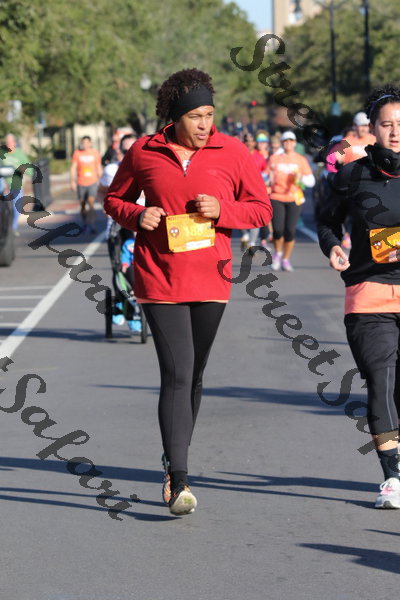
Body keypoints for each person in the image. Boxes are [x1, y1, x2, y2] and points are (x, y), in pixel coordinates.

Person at [105, 68, 271, 516]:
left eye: (209, 115)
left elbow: (261, 209)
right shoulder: (144, 151)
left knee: (194, 375)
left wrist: (223, 210)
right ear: (175, 118)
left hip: (211, 279)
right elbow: (114, 199)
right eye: (196, 116)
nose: (204, 124)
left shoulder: (232, 151)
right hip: (159, 276)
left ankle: (172, 456)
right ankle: (178, 480)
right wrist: (136, 216)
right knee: (177, 372)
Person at [317, 84, 400, 509]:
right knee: (381, 380)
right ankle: (393, 475)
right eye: (387, 124)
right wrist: (333, 244)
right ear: (373, 130)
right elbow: (326, 220)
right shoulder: (353, 175)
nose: (395, 131)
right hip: (369, 295)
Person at [269, 130, 315, 271]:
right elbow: (265, 176)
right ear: (282, 143)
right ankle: (278, 253)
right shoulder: (274, 158)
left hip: (294, 198)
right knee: (278, 230)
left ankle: (285, 259)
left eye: (291, 140)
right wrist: (268, 180)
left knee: (290, 230)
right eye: (286, 141)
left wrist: (301, 178)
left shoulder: (300, 160)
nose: (288, 143)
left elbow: (311, 181)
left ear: (295, 143)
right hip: (276, 196)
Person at [70, 136, 102, 233]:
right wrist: (72, 182)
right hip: (81, 182)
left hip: (92, 181)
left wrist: (100, 179)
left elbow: (99, 166)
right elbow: (73, 168)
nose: (85, 144)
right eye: (83, 142)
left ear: (90, 143)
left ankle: (92, 224)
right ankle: (84, 223)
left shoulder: (95, 153)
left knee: (91, 202)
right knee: (83, 204)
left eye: (87, 142)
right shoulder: (77, 153)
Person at [4, 133, 33, 235]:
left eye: (11, 142)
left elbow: (29, 169)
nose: (9, 144)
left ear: (15, 143)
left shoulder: (20, 154)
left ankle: (13, 228)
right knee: (5, 208)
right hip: (4, 184)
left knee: (17, 207)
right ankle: (5, 228)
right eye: (7, 142)